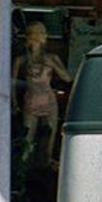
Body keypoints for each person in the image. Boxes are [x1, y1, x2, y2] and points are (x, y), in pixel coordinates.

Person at [14, 21, 72, 158]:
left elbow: (67, 78)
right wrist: (14, 103)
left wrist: (52, 65)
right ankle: (24, 168)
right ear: (34, 36)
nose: (46, 35)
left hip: (49, 102)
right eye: (42, 32)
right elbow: (12, 83)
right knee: (27, 140)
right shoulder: (21, 60)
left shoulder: (51, 58)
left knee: (49, 141)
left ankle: (44, 165)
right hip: (30, 102)